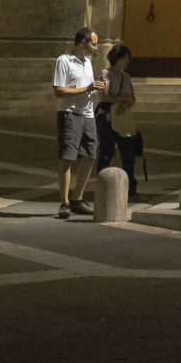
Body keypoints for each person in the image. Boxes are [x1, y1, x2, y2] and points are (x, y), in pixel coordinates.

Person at [53, 27, 107, 219]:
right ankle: (64, 202)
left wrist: (97, 88)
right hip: (70, 114)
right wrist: (87, 88)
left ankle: (78, 198)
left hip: (88, 114)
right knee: (67, 158)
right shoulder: (64, 60)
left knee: (91, 155)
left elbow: (87, 89)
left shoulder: (88, 63)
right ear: (83, 42)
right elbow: (59, 90)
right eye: (93, 43)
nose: (95, 47)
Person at [95, 43, 141, 200]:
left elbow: (132, 99)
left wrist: (126, 102)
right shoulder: (105, 75)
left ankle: (130, 187)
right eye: (125, 57)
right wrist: (123, 99)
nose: (128, 60)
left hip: (123, 120)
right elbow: (104, 97)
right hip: (107, 119)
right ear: (118, 58)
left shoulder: (126, 78)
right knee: (107, 152)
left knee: (128, 154)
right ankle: (102, 184)